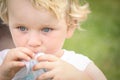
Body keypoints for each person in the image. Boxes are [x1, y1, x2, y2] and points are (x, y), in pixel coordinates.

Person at [0, 0, 107, 80]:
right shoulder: (4, 62)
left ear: (70, 27)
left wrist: (78, 77)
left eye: (46, 29)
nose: (33, 42)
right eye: (22, 28)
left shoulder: (79, 65)